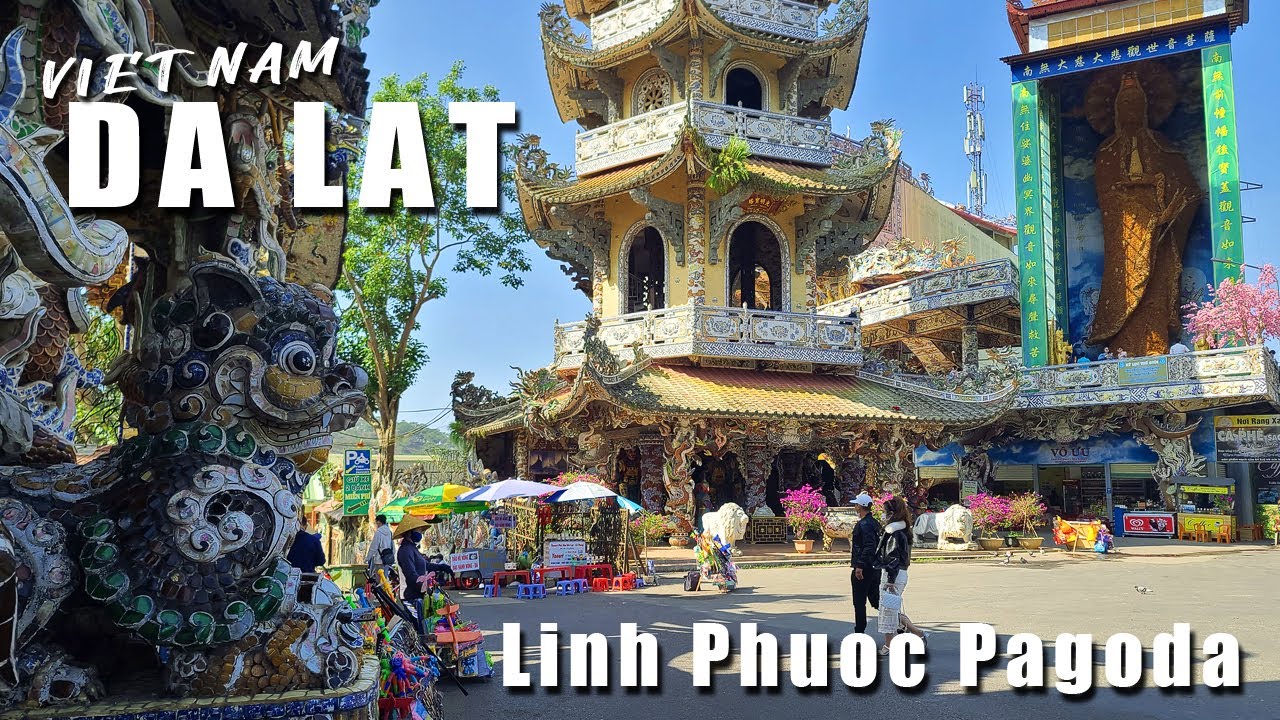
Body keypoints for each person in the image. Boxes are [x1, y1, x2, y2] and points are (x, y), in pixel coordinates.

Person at [875, 496, 928, 655]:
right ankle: (918, 634)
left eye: (884, 512)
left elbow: (893, 557)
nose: (883, 515)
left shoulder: (894, 532)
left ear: (891, 513)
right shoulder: (902, 529)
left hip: (894, 575)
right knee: (891, 609)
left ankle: (889, 645)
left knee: (888, 611)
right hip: (898, 573)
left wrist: (890, 580)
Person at [849, 493, 881, 634]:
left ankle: (859, 632)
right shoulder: (874, 522)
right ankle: (900, 622)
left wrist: (859, 566)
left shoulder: (864, 524)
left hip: (864, 568)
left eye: (856, 504)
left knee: (859, 602)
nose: (854, 506)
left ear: (859, 507)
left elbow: (869, 546)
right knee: (876, 600)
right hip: (874, 567)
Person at [397, 529, 430, 622]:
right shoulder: (405, 550)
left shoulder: (412, 548)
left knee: (422, 623)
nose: (420, 534)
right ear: (409, 533)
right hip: (410, 595)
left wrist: (443, 567)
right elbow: (410, 574)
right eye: (417, 531)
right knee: (417, 625)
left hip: (417, 593)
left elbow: (425, 565)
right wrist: (422, 585)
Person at [365, 514, 395, 582]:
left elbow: (374, 547)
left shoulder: (378, 532)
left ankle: (380, 592)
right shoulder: (389, 532)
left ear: (379, 522)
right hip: (387, 559)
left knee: (379, 580)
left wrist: (368, 558)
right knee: (385, 579)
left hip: (379, 559)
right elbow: (392, 545)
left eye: (376, 522)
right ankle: (386, 591)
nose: (376, 524)